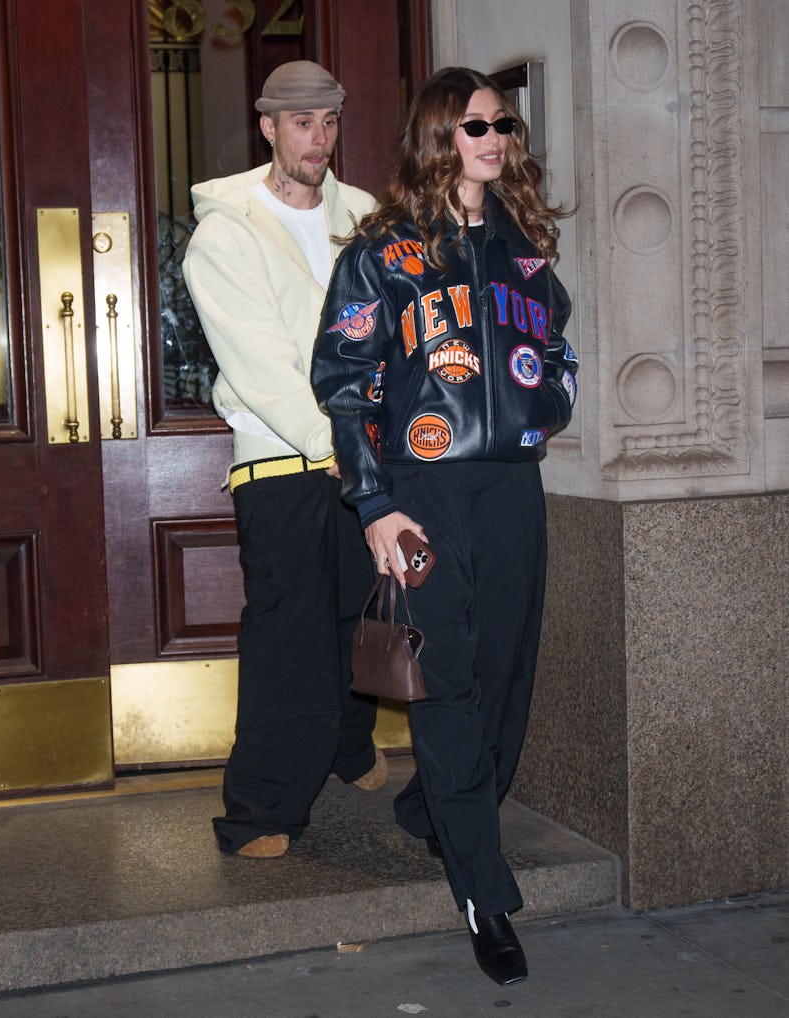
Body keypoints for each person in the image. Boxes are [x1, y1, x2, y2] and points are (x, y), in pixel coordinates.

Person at [311, 66, 578, 984]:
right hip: (421, 492)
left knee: (505, 676)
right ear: (438, 137)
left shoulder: (522, 246)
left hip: (511, 489)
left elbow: (556, 348)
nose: (494, 139)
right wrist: (375, 503)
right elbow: (345, 384)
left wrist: (547, 407)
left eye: (503, 124)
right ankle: (482, 893)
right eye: (475, 126)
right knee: (450, 682)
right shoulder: (381, 254)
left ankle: (435, 812)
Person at [183, 60, 385, 860]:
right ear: (268, 127)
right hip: (280, 459)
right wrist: (333, 441)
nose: (319, 138)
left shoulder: (364, 215)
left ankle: (347, 745)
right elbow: (258, 361)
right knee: (290, 634)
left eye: (330, 122)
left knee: (360, 614)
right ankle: (260, 808)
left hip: (364, 450)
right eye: (303, 123)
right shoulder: (224, 233)